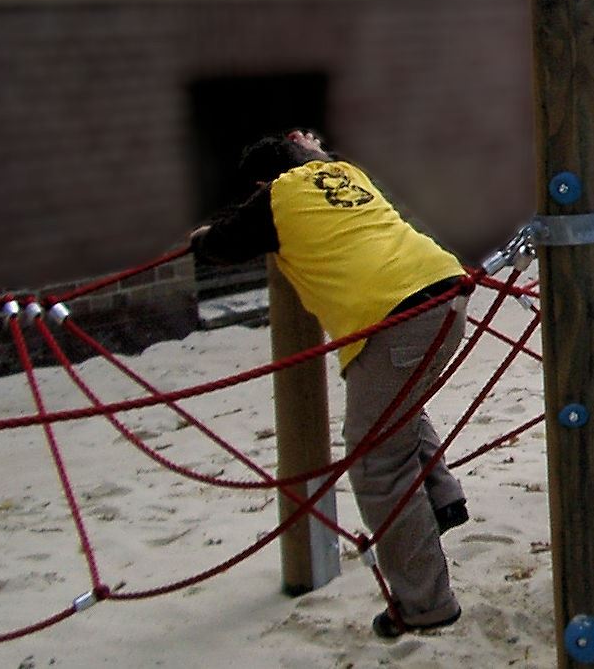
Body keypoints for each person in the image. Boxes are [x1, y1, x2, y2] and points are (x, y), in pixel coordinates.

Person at [191, 130, 469, 639]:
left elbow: (221, 246)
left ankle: (427, 604)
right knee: (391, 404)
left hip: (394, 319)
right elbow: (319, 159)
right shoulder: (347, 173)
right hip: (446, 294)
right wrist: (312, 151)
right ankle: (442, 495)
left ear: (260, 182)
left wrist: (198, 238)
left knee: (378, 463)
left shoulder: (276, 197)